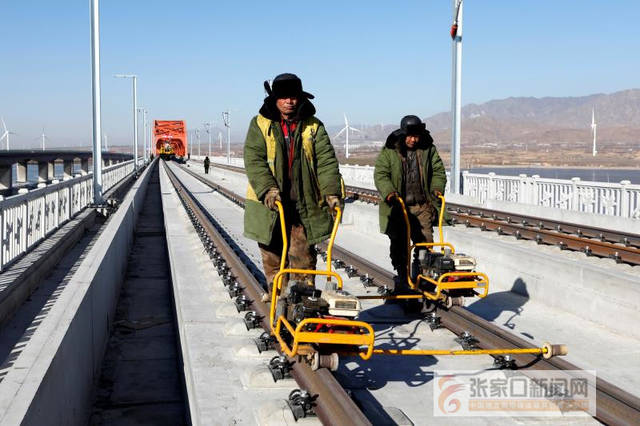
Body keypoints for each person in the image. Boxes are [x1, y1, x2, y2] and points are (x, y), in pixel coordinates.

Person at [243, 73, 343, 302]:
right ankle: (278, 300)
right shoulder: (260, 123)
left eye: (294, 97)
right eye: (284, 97)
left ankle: (301, 303)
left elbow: (326, 161)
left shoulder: (313, 125)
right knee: (272, 254)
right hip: (269, 204)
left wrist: (331, 191)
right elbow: (254, 159)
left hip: (303, 204)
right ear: (275, 98)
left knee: (303, 256)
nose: (290, 101)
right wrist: (267, 189)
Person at [373, 115, 448, 293]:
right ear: (403, 134)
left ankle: (423, 277)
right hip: (399, 207)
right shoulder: (390, 150)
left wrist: (437, 188)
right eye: (410, 136)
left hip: (422, 205)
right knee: (400, 246)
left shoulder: (428, 149)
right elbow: (381, 174)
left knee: (425, 243)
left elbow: (438, 171)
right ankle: (403, 277)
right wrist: (390, 192)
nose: (413, 140)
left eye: (417, 136)